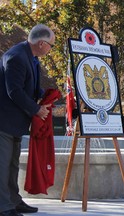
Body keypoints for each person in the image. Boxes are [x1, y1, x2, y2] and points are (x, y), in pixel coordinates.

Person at [0, 24, 55, 216]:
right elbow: (14, 91)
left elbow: (30, 87)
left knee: (12, 165)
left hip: (15, 123)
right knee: (3, 165)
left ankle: (13, 201)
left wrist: (49, 95)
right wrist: (37, 110)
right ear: (41, 43)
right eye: (51, 45)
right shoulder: (16, 57)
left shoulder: (31, 57)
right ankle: (4, 207)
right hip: (4, 122)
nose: (51, 49)